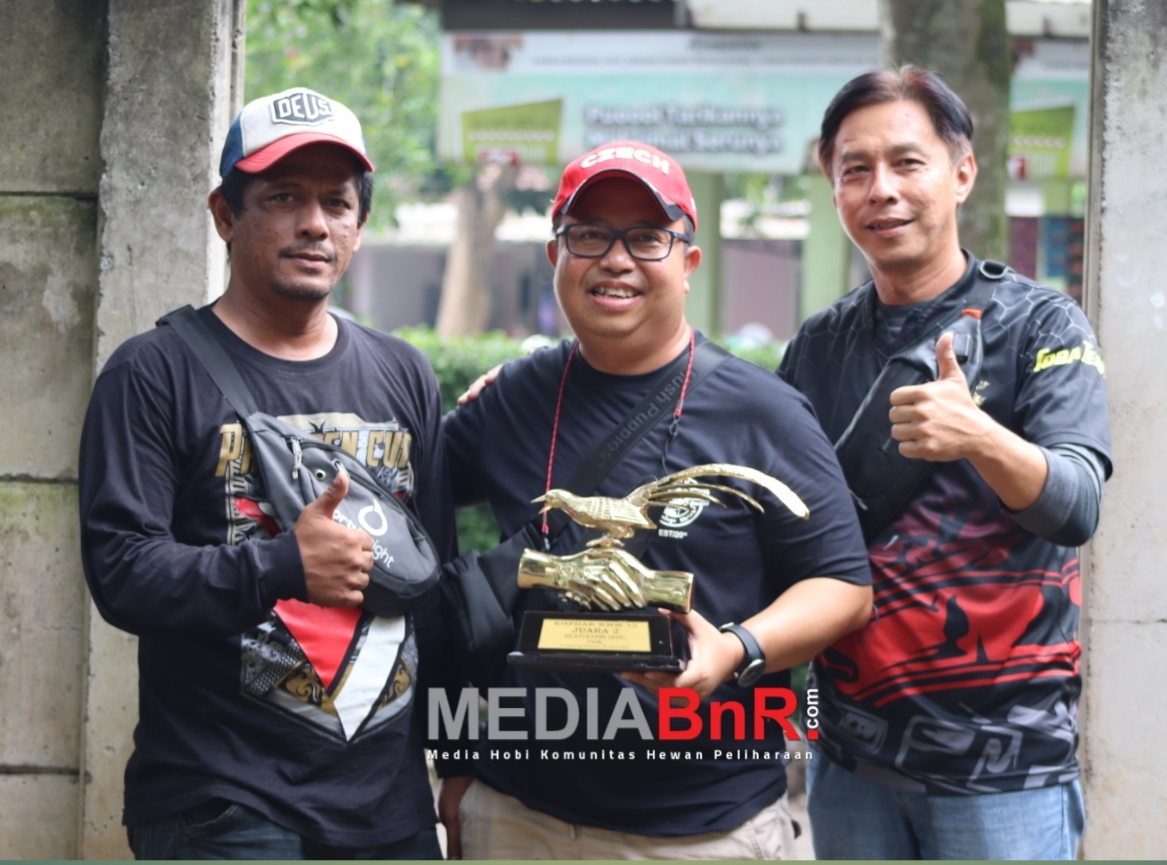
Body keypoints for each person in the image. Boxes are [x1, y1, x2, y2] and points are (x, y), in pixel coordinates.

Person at [437, 140, 874, 859]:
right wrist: (459, 763)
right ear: (555, 255)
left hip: (706, 829)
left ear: (688, 263)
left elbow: (844, 587)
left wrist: (737, 648)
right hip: (518, 816)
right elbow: (416, 522)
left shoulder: (763, 411)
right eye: (588, 235)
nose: (616, 259)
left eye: (647, 237)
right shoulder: (512, 398)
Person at [78, 87, 458, 859]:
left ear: (359, 225)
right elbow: (121, 570)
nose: (314, 223)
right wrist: (283, 565)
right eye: (284, 197)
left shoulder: (404, 373)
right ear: (225, 214)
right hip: (225, 803)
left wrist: (456, 759)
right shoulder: (153, 372)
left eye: (336, 202)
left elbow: (434, 580)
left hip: (389, 808)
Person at [778, 67, 1112, 860]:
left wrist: (980, 436)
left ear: (962, 173)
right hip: (847, 758)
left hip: (1008, 770)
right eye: (855, 169)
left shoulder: (1042, 324)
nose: (881, 189)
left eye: (907, 162)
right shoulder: (818, 346)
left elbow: (1077, 505)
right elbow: (778, 520)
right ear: (833, 186)